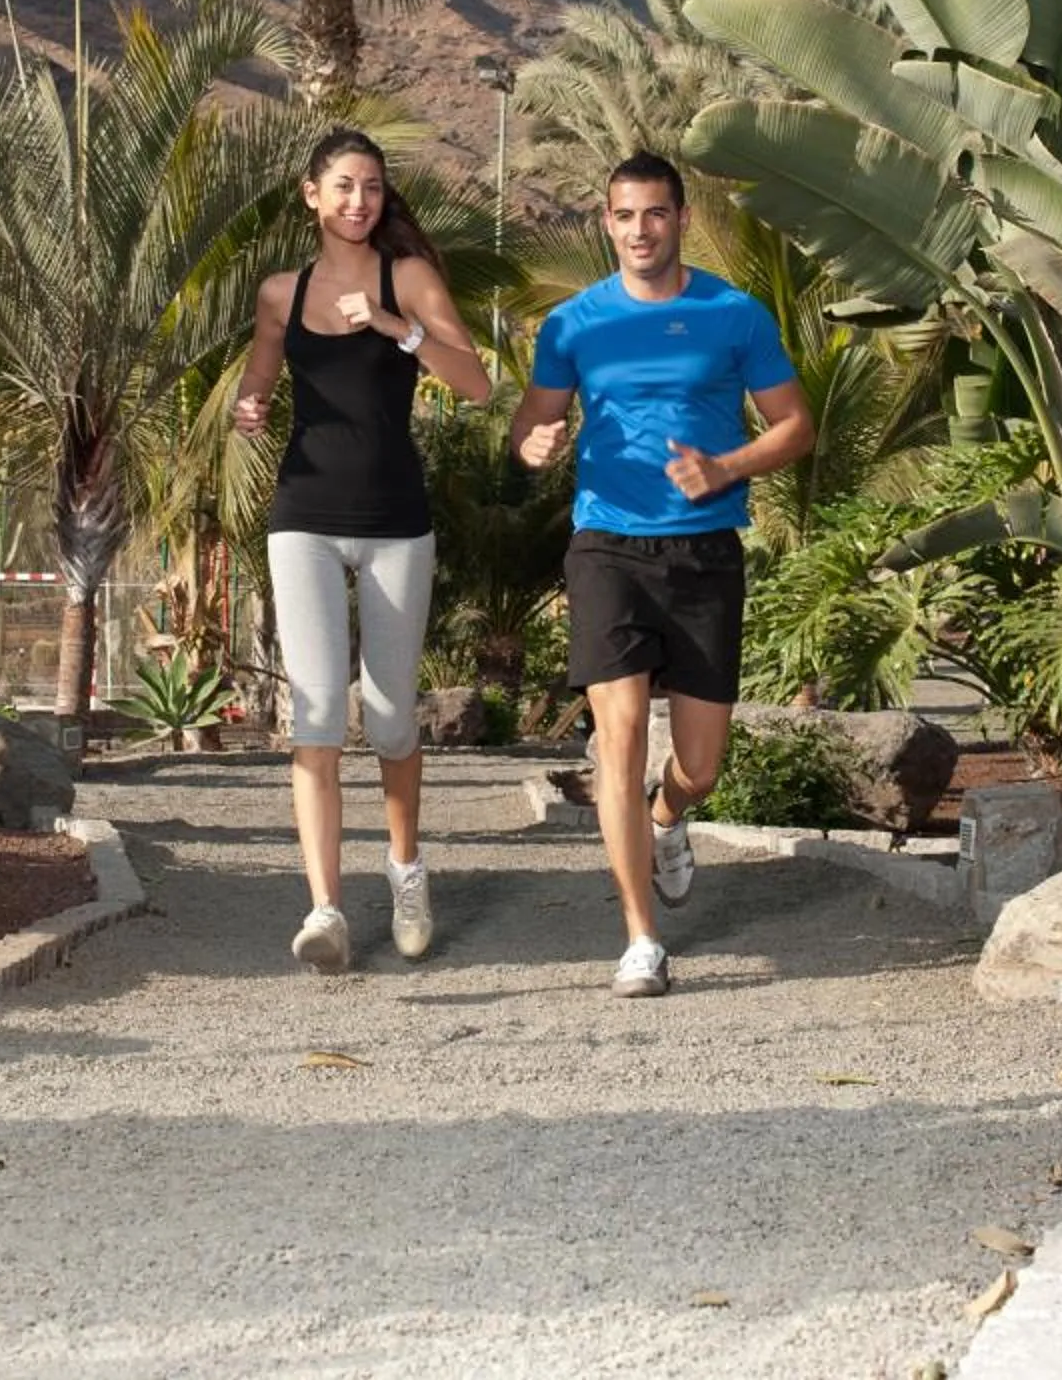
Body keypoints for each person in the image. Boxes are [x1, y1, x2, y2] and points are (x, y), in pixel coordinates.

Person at [507, 152, 813, 997]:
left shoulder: (733, 315)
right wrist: (535, 446)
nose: (639, 230)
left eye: (655, 214)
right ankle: (641, 938)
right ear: (606, 223)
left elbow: (795, 427)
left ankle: (667, 818)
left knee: (701, 765)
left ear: (680, 218)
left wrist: (728, 466)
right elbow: (529, 428)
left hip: (705, 550)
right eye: (624, 215)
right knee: (621, 735)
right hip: (607, 544)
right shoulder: (572, 324)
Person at [235, 129, 491, 973]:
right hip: (303, 511)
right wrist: (250, 407)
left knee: (387, 717)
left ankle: (406, 871)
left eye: (372, 188)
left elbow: (478, 384)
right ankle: (325, 911)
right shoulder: (281, 291)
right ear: (311, 194)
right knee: (312, 715)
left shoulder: (407, 278)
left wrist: (394, 327)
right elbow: (261, 377)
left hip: (394, 519)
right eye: (343, 186)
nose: (359, 201)